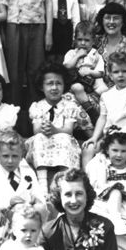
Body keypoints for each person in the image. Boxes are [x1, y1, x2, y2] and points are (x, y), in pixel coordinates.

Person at [85, 130, 126, 249]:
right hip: (111, 191)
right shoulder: (106, 165)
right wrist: (116, 186)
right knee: (116, 192)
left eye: (123, 151)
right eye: (115, 150)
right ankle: (117, 221)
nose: (119, 155)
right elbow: (102, 184)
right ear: (107, 150)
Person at [29, 61, 86, 190]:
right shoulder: (37, 107)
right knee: (38, 138)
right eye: (49, 83)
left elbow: (68, 130)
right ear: (41, 87)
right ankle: (42, 182)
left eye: (58, 83)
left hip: (63, 139)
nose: (54, 88)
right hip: (43, 140)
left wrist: (55, 129)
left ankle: (66, 178)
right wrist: (43, 128)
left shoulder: (69, 106)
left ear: (64, 85)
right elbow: (35, 130)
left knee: (65, 139)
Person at [0, 129, 45, 212]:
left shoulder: (29, 172)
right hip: (6, 220)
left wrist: (36, 201)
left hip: (29, 218)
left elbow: (39, 197)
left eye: (15, 156)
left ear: (22, 156)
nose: (10, 161)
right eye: (5, 156)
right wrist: (9, 203)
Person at [65, 21, 109, 118]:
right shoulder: (71, 53)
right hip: (76, 81)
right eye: (80, 40)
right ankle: (91, 111)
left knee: (104, 88)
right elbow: (67, 66)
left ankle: (93, 97)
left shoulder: (96, 54)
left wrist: (89, 72)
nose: (83, 43)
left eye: (87, 40)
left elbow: (101, 73)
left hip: (92, 81)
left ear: (93, 41)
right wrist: (78, 55)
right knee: (77, 87)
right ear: (75, 39)